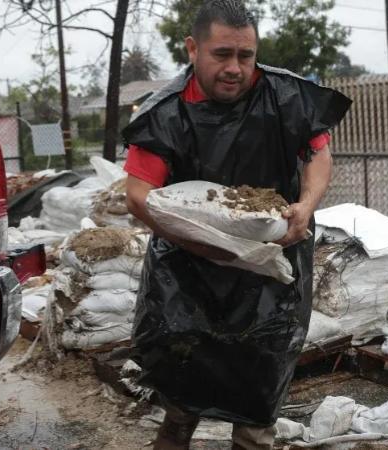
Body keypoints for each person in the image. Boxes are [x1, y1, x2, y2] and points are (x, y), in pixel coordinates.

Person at [121, 1, 351, 449]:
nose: (235, 68)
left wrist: (305, 206)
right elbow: (138, 195)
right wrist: (205, 243)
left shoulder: (285, 96)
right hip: (187, 275)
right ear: (193, 49)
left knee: (258, 401)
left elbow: (318, 153)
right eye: (222, 54)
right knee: (181, 395)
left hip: (271, 270)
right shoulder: (165, 114)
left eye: (246, 56)